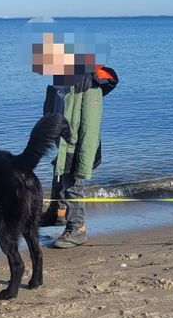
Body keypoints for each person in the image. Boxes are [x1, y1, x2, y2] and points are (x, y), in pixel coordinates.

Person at [31, 31, 119, 248]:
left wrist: (83, 153)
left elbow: (89, 125)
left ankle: (77, 228)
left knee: (72, 179)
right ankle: (57, 212)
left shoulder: (85, 83)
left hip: (76, 143)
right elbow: (52, 107)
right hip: (63, 139)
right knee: (58, 170)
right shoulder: (62, 76)